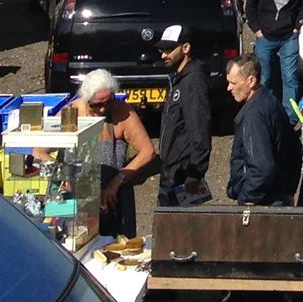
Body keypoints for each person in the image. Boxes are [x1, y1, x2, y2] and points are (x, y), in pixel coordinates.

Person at [220, 53, 302, 302]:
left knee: (257, 285)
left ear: (251, 81)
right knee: (243, 279)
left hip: (262, 207)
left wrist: (246, 199)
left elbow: (262, 167)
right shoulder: (270, 104)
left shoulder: (254, 116)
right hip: (275, 199)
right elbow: (293, 150)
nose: (228, 88)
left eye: (233, 82)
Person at [77, 68, 158, 237]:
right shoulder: (72, 113)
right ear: (86, 99)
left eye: (108, 102)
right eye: (97, 105)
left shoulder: (121, 112)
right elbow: (41, 150)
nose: (102, 109)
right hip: (82, 199)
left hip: (116, 197)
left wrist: (116, 181)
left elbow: (147, 151)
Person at [155, 24, 213, 208]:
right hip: (171, 170)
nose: (163, 55)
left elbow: (200, 128)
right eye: (162, 50)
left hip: (184, 173)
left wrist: (194, 175)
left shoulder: (193, 80)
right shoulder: (178, 78)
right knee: (169, 227)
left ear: (186, 48)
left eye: (169, 49)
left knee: (184, 229)